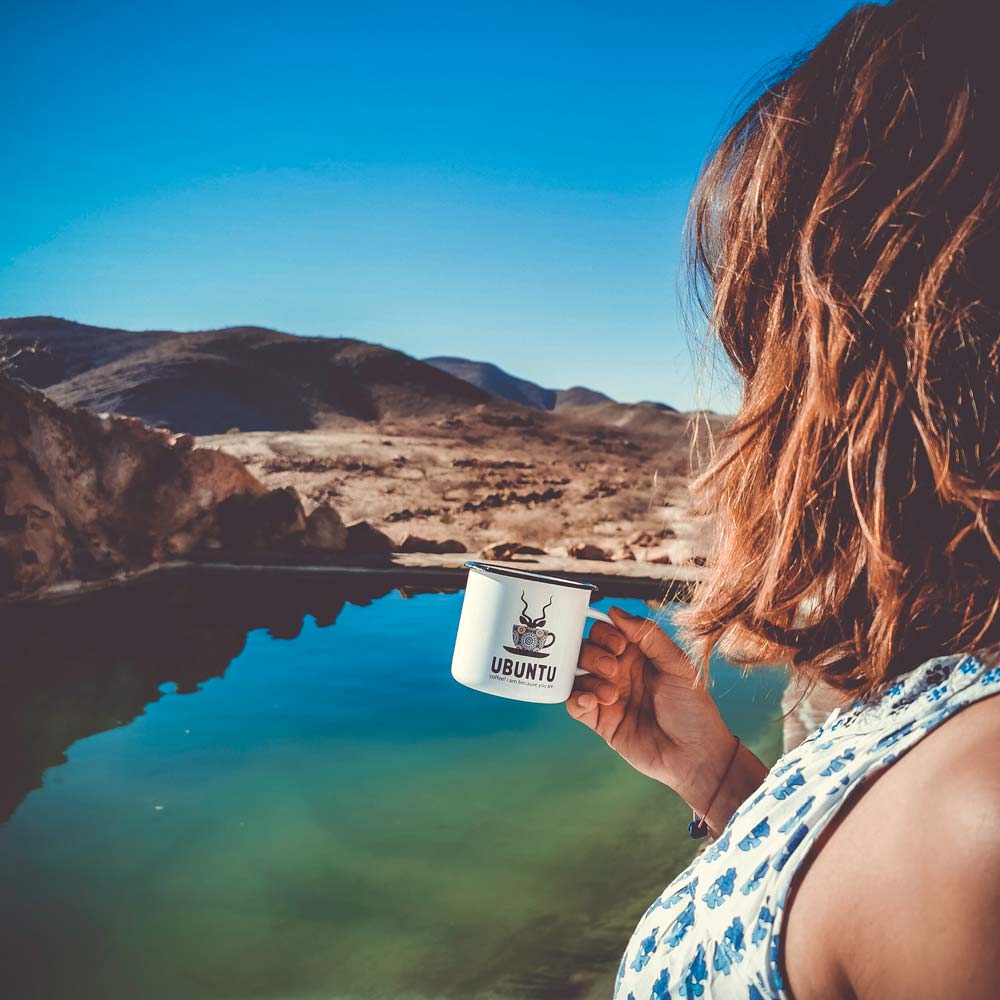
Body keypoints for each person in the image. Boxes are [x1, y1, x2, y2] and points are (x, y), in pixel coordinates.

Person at [567, 1, 1000, 997]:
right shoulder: (957, 702)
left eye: (768, 341)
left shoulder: (975, 829)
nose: (752, 402)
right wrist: (718, 776)